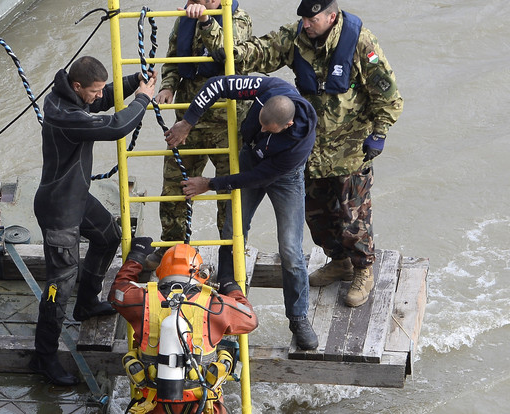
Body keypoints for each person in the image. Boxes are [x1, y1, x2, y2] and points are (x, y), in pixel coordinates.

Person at [200, 0, 404, 306]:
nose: (306, 24)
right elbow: (264, 50)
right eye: (304, 19)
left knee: (353, 216)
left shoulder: (361, 42)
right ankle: (339, 261)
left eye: (313, 19)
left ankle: (363, 269)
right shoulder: (296, 37)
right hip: (309, 147)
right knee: (318, 215)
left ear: (332, 17)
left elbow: (388, 95)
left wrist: (379, 133)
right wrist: (232, 54)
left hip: (350, 148)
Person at [166, 74, 319, 350]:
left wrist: (209, 184)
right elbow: (216, 85)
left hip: (282, 176)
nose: (261, 130)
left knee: (290, 250)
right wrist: (188, 121)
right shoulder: (267, 87)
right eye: (259, 122)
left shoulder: (298, 143)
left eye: (268, 130)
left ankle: (298, 318)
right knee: (233, 231)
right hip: (251, 161)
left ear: (287, 125)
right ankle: (228, 284)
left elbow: (254, 179)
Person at [31, 56, 157, 386]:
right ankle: (44, 356)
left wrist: (133, 81)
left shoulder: (70, 96)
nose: (99, 96)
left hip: (77, 196)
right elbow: (115, 126)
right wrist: (143, 98)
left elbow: (104, 97)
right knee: (59, 287)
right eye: (95, 91)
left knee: (108, 236)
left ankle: (86, 304)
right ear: (77, 87)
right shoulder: (65, 115)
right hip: (59, 210)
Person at [145, 0, 253, 269]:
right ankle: (172, 248)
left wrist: (206, 21)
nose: (196, 1)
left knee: (229, 191)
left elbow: (228, 55)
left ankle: (231, 251)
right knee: (174, 185)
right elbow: (172, 60)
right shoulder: (183, 18)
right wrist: (168, 86)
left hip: (226, 123)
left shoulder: (237, 18)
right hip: (187, 121)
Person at [109, 237, 258, 414]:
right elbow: (250, 319)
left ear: (160, 272)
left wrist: (136, 257)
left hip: (153, 404)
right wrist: (231, 287)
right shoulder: (215, 305)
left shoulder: (143, 301)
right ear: (201, 274)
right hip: (203, 405)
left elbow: (118, 291)